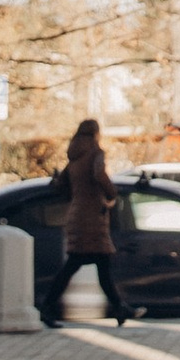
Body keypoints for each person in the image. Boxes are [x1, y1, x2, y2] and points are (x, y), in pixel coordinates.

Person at [41, 118, 126, 327]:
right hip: (92, 219)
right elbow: (99, 174)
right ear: (96, 133)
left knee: (98, 264)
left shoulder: (74, 157)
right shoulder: (96, 153)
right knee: (77, 265)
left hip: (77, 216)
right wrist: (112, 193)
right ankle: (47, 308)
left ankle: (120, 308)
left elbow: (61, 185)